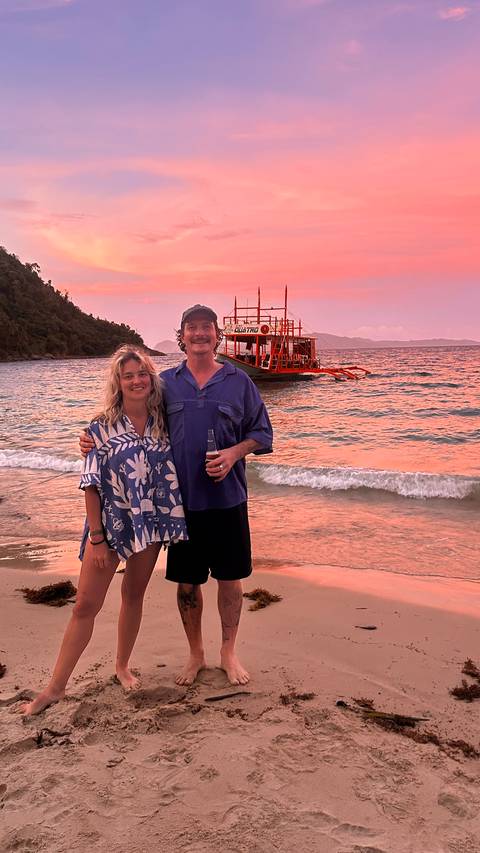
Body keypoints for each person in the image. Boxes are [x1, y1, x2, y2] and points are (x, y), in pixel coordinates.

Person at [80, 305, 273, 687]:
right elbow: (130, 411)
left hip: (228, 499)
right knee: (188, 583)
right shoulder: (166, 383)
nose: (200, 334)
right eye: (192, 328)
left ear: (217, 335)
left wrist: (235, 453)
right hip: (178, 506)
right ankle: (196, 654)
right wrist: (92, 437)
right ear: (182, 336)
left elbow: (262, 433)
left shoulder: (240, 382)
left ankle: (228, 653)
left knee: (231, 580)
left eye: (207, 328)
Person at [23, 346, 187, 715]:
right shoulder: (100, 427)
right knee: (85, 605)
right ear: (118, 382)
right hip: (109, 527)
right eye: (128, 376)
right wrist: (96, 537)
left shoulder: (165, 423)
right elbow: (92, 484)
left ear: (151, 378)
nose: (136, 381)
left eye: (142, 374)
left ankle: (122, 666)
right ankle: (55, 687)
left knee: (133, 596)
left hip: (149, 525)